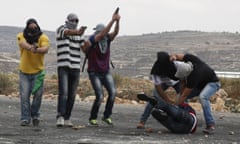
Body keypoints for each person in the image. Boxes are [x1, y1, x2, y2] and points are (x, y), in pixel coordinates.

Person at [81, 11, 120, 126]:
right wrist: (112, 20)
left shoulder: (107, 39)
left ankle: (107, 116)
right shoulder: (93, 39)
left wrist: (118, 21)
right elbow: (102, 34)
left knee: (112, 93)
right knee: (100, 96)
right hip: (94, 72)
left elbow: (115, 32)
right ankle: (93, 118)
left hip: (105, 71)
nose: (103, 34)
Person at [170, 53, 221, 134]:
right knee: (180, 97)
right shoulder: (190, 59)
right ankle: (185, 118)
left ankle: (210, 124)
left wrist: (175, 107)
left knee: (203, 97)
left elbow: (184, 95)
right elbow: (177, 55)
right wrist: (173, 57)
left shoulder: (194, 77)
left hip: (213, 83)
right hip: (200, 85)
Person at [16, 18, 50, 126]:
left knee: (38, 95)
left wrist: (37, 50)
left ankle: (35, 115)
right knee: (24, 95)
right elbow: (22, 43)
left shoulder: (43, 37)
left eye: (34, 27)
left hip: (38, 72)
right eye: (30, 26)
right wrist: (32, 48)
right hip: (24, 72)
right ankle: (25, 118)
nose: (32, 29)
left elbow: (45, 49)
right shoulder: (21, 35)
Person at [55, 13, 87, 127]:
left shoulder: (80, 34)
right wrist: (78, 32)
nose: (74, 23)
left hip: (76, 67)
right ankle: (60, 116)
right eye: (72, 20)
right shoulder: (61, 29)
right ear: (67, 20)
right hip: (63, 65)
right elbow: (66, 32)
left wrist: (91, 43)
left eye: (76, 21)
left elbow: (85, 49)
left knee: (72, 95)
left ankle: (67, 117)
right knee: (63, 93)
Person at [137, 52, 181, 129]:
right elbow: (159, 89)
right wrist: (168, 100)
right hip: (163, 83)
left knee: (184, 99)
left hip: (177, 82)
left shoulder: (175, 62)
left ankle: (187, 118)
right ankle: (142, 121)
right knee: (153, 99)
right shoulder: (155, 71)